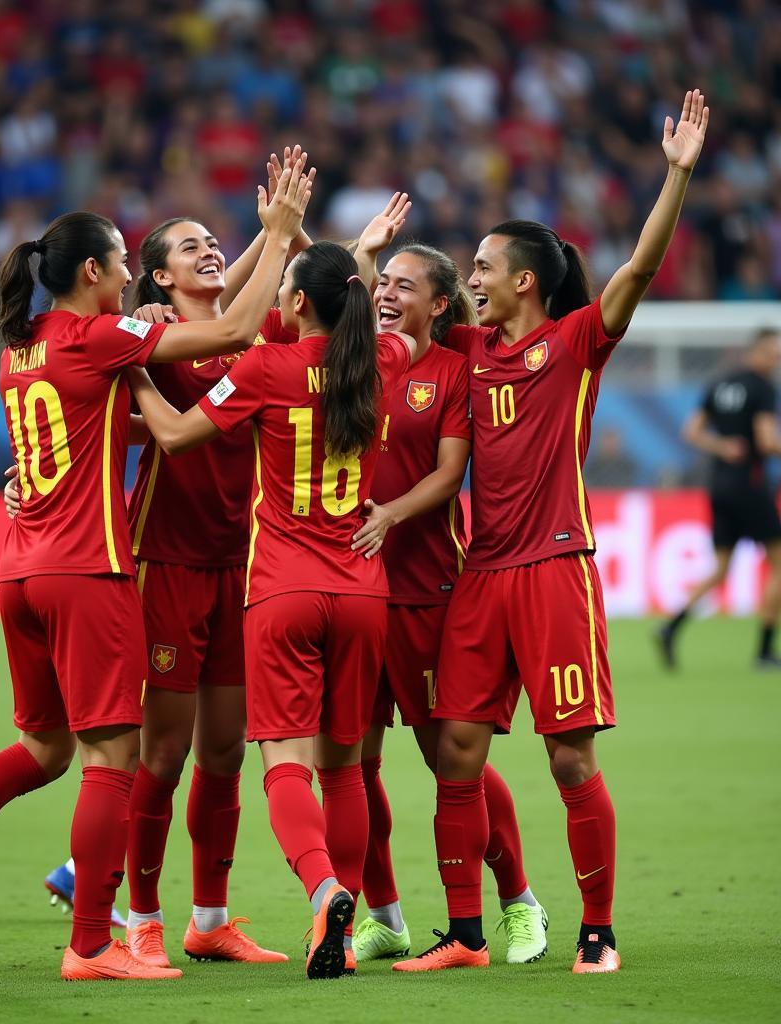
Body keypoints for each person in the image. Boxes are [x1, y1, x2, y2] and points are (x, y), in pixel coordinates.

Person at [0, 158, 314, 982]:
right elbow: (227, 333)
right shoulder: (102, 339)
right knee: (117, 759)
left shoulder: (24, 349)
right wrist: (278, 231)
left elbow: (146, 396)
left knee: (43, 749)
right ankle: (96, 942)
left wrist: (248, 252)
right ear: (101, 272)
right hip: (90, 568)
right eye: (125, 266)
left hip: (21, 570)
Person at [392, 89, 709, 977]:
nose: (473, 277)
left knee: (569, 759)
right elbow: (397, 309)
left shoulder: (574, 343)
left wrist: (675, 176)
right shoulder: (463, 348)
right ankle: (462, 936)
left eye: (485, 266)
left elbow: (638, 274)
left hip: (554, 570)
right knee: (454, 750)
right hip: (480, 576)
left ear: (524, 279)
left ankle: (598, 933)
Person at [127, 229, 415, 980]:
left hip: (280, 586)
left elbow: (179, 433)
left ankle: (320, 892)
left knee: (281, 765)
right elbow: (363, 318)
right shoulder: (387, 360)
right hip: (362, 590)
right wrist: (357, 258)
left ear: (293, 303)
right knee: (345, 769)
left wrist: (135, 375)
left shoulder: (263, 364)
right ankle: (342, 932)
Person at [345, 243, 548, 967]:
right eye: (381, 283)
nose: (388, 293)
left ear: (439, 304)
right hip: (350, 591)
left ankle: (519, 901)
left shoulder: (453, 370)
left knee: (450, 762)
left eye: (406, 285)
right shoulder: (348, 360)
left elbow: (449, 474)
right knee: (353, 764)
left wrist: (389, 515)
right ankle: (385, 915)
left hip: (428, 591)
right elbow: (295, 299)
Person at [658, 328, 781, 669]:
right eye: (772, 352)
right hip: (750, 486)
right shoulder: (763, 388)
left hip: (720, 487)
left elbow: (692, 431)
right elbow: (767, 441)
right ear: (756, 351)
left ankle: (671, 626)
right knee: (779, 563)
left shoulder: (721, 384)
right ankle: (765, 651)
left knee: (722, 568)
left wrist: (721, 447)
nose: (776, 359)